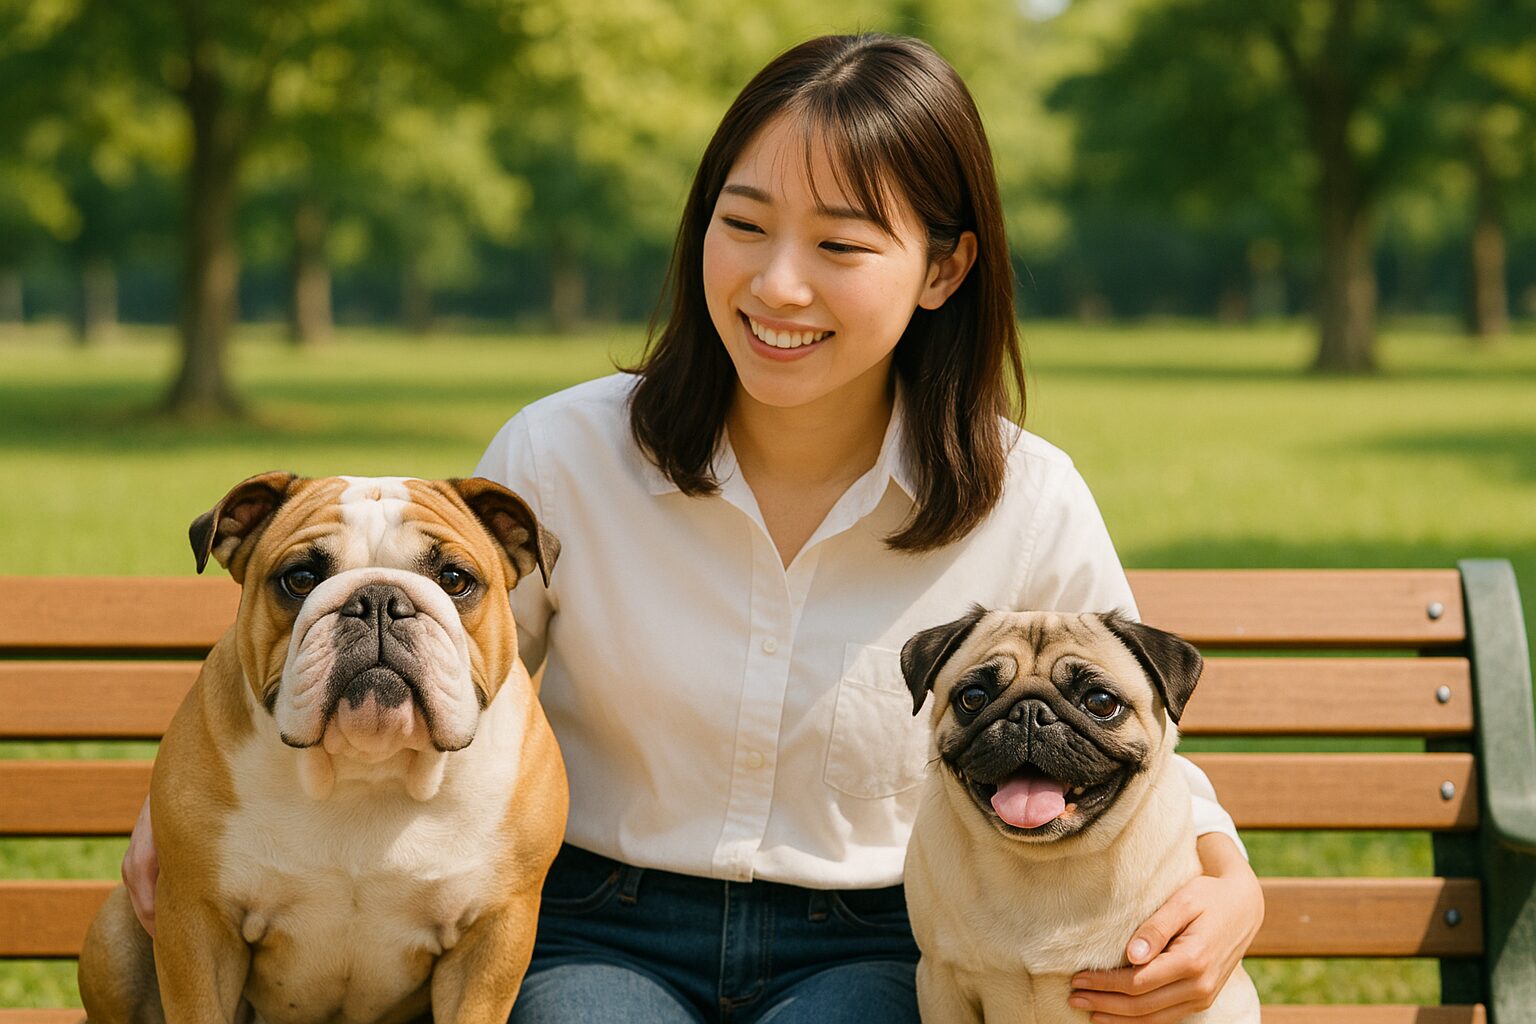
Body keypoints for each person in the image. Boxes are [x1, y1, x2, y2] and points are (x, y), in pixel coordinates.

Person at [123, 32, 1262, 1024]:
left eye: (841, 246)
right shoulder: (561, 454)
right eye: (744, 224)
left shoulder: (1026, 495)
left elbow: (1126, 711)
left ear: (944, 267)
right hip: (598, 922)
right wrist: (196, 814)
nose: (777, 285)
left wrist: (1232, 886)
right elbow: (423, 664)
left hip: (875, 937)